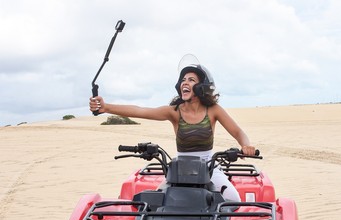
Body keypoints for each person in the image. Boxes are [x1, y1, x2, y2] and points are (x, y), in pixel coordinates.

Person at [89, 57, 256, 201]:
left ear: (201, 87)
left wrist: (246, 145)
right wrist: (106, 108)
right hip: (180, 169)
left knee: (233, 199)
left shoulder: (213, 110)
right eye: (183, 79)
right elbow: (141, 110)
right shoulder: (174, 112)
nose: (185, 82)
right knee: (157, 203)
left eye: (191, 80)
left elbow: (238, 132)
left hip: (209, 167)